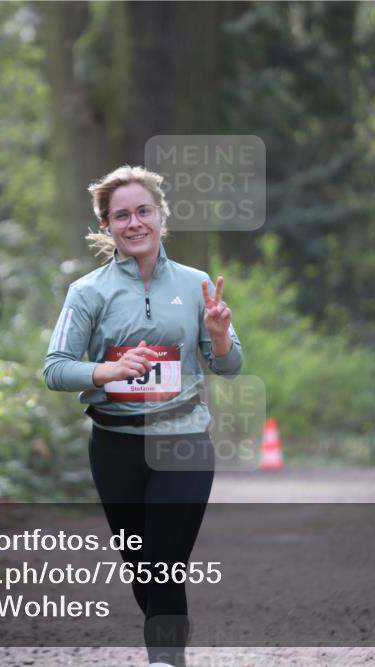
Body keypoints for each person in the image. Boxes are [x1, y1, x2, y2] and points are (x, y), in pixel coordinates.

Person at [43, 165, 243, 667]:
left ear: (161, 215)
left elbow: (230, 365)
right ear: (107, 225)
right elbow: (55, 369)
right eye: (122, 216)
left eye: (143, 211)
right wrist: (107, 371)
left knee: (166, 563)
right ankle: (168, 651)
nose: (134, 223)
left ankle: (164, 660)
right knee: (143, 569)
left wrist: (219, 335)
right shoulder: (87, 292)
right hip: (115, 446)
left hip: (183, 440)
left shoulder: (197, 285)